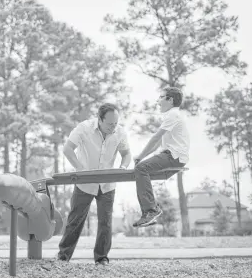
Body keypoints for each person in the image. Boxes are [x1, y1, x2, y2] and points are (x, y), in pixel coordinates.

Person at [57, 103, 132, 266]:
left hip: (107, 185)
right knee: (75, 220)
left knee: (106, 221)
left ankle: (101, 257)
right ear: (99, 119)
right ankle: (63, 256)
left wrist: (123, 167)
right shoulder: (84, 128)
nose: (113, 127)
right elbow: (68, 149)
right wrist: (80, 169)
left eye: (116, 123)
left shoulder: (120, 132)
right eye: (110, 124)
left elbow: (126, 154)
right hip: (85, 183)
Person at [132, 87, 190, 227]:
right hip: (171, 154)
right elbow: (157, 143)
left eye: (161, 97)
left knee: (141, 169)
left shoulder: (173, 115)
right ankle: (151, 210)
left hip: (174, 156)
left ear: (170, 100)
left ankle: (151, 210)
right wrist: (142, 157)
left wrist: (140, 157)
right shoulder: (171, 115)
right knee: (141, 168)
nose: (158, 101)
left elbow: (155, 137)